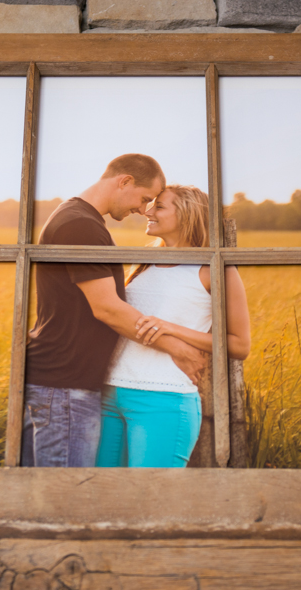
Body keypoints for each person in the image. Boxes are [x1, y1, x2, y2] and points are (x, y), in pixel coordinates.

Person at [22, 155, 211, 468]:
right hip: (65, 386)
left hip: (63, 384)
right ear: (124, 181)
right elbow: (108, 308)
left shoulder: (79, 219)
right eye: (144, 198)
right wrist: (176, 347)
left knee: (56, 494)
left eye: (153, 203)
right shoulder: (81, 225)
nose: (142, 209)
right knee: (67, 498)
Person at [96, 185, 251, 468]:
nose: (148, 211)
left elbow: (240, 344)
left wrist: (172, 329)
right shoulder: (144, 265)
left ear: (188, 215)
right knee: (104, 500)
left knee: (152, 503)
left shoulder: (215, 269)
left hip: (163, 400)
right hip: (110, 395)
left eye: (159, 206)